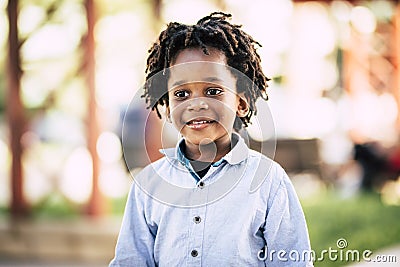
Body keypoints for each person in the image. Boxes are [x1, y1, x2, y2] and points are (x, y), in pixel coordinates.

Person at [110, 12, 313, 266]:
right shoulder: (148, 185)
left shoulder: (269, 181)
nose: (196, 104)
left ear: (241, 102)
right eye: (182, 93)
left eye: (213, 91)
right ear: (169, 107)